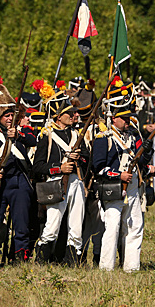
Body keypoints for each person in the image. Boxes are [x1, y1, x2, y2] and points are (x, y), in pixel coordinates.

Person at [93, 76, 155, 272]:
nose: (128, 120)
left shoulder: (134, 134)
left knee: (135, 226)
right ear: (114, 118)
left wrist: (147, 149)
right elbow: (98, 167)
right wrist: (117, 175)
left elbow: (142, 161)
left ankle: (132, 267)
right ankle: (106, 268)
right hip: (114, 188)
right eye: (124, 118)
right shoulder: (103, 137)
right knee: (112, 228)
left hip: (133, 187)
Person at [0, 72, 36, 267]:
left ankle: (20, 263)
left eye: (12, 114)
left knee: (21, 226)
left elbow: (32, 141)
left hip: (18, 182)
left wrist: (17, 136)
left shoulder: (22, 132)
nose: (10, 118)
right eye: (6, 115)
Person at [33, 90, 89, 266]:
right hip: (56, 182)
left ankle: (73, 261)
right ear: (58, 116)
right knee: (52, 225)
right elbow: (37, 167)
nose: (73, 115)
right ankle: (42, 261)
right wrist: (59, 168)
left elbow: (88, 159)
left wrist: (79, 157)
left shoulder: (76, 135)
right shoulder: (46, 135)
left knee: (76, 225)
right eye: (69, 113)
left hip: (76, 182)